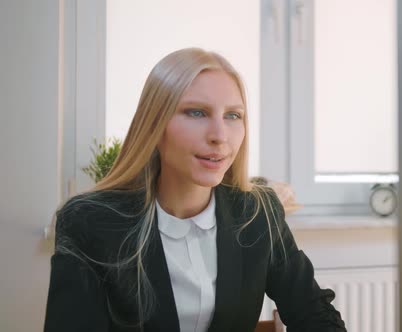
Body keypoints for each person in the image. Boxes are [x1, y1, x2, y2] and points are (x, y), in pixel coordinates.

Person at [44, 48, 346, 332]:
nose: (220, 136)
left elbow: (315, 315)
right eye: (196, 113)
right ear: (154, 124)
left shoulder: (258, 212)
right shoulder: (88, 221)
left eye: (233, 115)